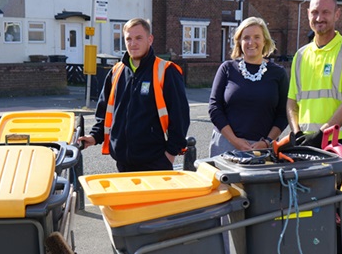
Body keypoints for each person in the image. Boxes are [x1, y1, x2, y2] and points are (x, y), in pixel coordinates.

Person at [79, 18, 190, 172]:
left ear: (150, 39)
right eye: (128, 39)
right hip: (122, 161)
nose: (133, 43)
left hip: (156, 162)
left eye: (139, 38)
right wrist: (94, 136)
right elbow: (105, 111)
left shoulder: (166, 71)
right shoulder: (116, 72)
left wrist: (169, 155)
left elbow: (180, 117)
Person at [287, 0, 342, 148]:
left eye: (325, 12)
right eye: (314, 12)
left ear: (337, 15)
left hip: (338, 143)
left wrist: (322, 134)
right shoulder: (300, 55)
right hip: (306, 142)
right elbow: (292, 102)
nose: (319, 18)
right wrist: (296, 133)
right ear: (308, 14)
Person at [208, 17, 289, 156]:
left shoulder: (278, 73)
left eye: (257, 37)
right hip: (225, 144)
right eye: (246, 38)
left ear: (265, 40)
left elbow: (283, 114)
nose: (251, 42)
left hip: (263, 149)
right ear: (239, 41)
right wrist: (235, 141)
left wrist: (267, 142)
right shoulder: (227, 68)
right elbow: (215, 108)